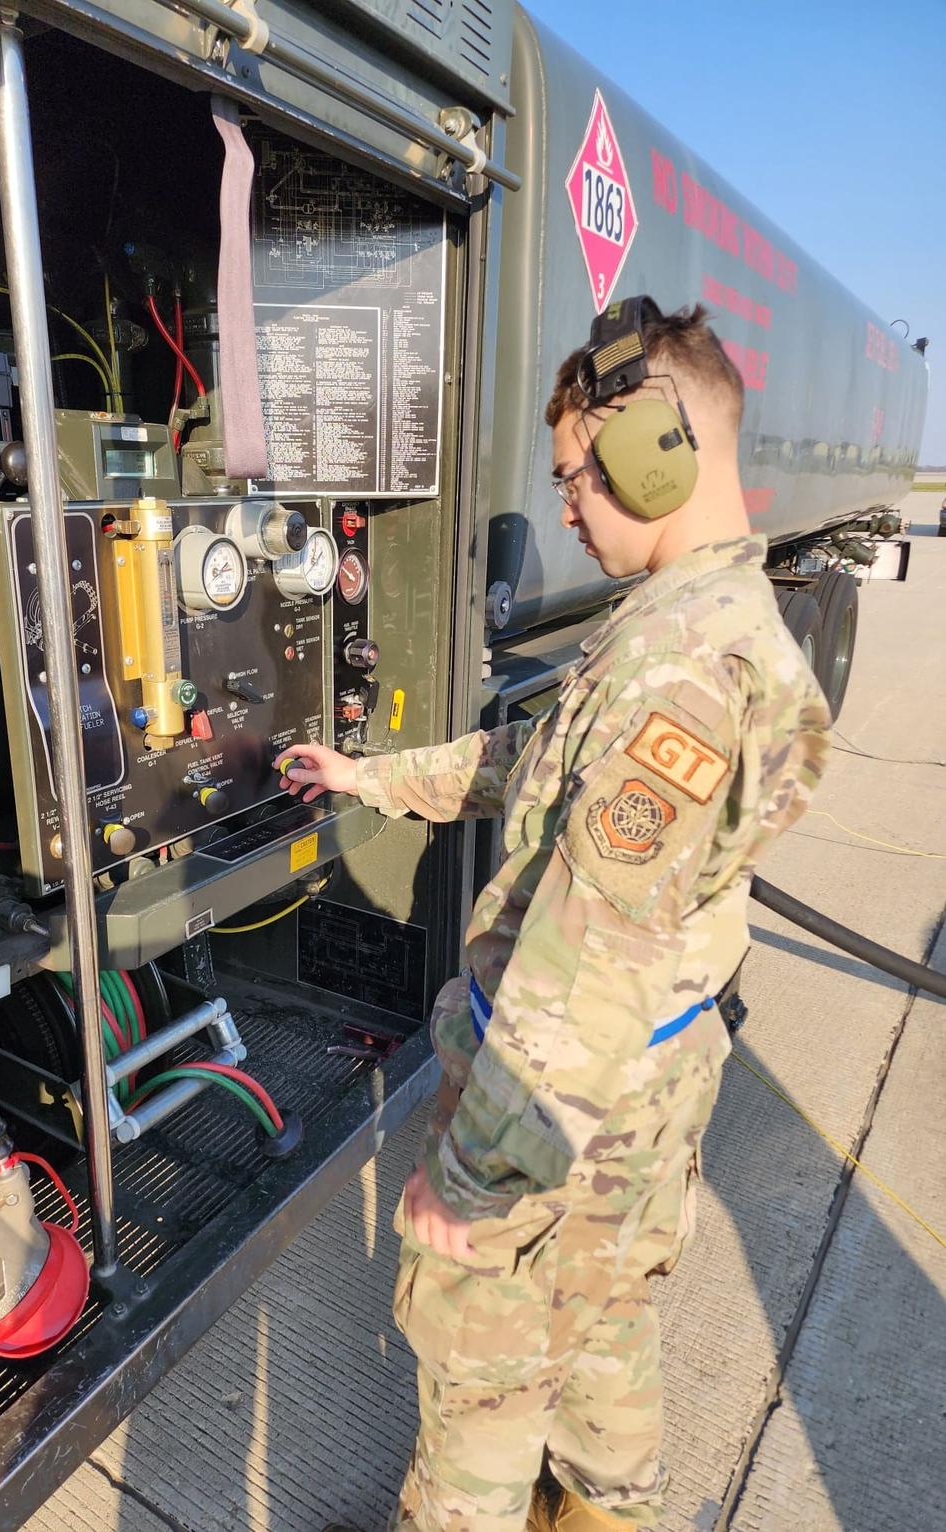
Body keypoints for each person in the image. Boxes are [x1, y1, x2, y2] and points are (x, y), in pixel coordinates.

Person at [276, 299, 831, 1532]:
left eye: (578, 474)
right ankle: (603, 1511)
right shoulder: (705, 623)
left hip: (563, 1101)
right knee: (605, 1323)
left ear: (656, 450)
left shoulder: (676, 669)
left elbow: (586, 966)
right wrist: (370, 775)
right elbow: (534, 764)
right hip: (645, 1092)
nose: (568, 506)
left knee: (480, 1377)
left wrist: (468, 1181)